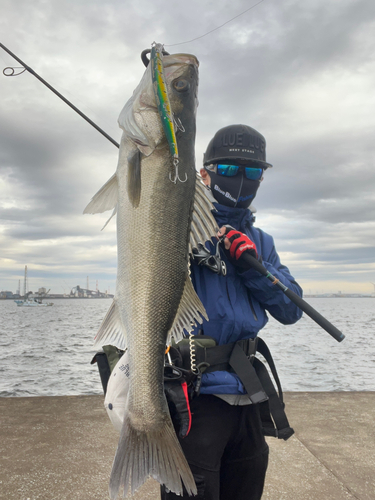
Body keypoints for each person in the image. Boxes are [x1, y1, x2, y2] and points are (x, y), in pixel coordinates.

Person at [161, 124, 303, 500]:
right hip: (195, 395)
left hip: (249, 396)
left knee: (249, 481)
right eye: (228, 169)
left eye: (253, 171)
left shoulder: (262, 242)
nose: (241, 179)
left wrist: (253, 265)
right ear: (204, 172)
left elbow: (291, 309)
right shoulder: (180, 228)